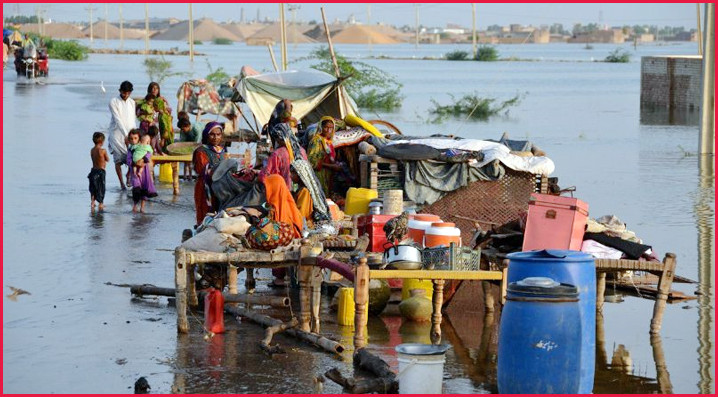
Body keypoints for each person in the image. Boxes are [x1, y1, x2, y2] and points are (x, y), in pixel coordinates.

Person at [192, 122, 229, 226]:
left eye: (218, 134)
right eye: (212, 134)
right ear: (206, 135)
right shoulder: (201, 151)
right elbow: (204, 170)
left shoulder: (222, 150)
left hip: (220, 187)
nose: (215, 137)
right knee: (205, 213)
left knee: (219, 213)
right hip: (205, 187)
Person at [258, 123, 308, 190]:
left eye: (276, 139)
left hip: (284, 191)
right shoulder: (302, 151)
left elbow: (267, 175)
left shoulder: (278, 153)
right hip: (301, 190)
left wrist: (259, 175)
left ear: (279, 138)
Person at [108, 81, 137, 188]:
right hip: (116, 135)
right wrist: (125, 134)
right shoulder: (113, 101)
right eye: (124, 93)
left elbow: (133, 120)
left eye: (128, 93)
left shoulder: (132, 102)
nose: (126, 95)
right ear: (120, 91)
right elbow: (117, 119)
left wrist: (133, 135)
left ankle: (129, 176)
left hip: (130, 136)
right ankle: (121, 184)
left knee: (132, 158)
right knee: (118, 160)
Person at [307, 116, 342, 196]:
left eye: (331, 128)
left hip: (328, 175)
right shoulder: (316, 141)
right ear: (321, 127)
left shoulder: (328, 141)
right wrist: (331, 166)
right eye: (326, 127)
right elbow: (312, 161)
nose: (329, 130)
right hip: (319, 175)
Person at [126, 129, 157, 213]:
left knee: (144, 188)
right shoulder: (131, 149)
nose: (133, 140)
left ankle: (142, 207)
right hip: (135, 172)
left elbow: (149, 154)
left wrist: (143, 160)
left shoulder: (143, 146)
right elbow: (128, 159)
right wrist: (133, 163)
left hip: (144, 171)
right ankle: (135, 206)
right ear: (129, 139)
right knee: (136, 188)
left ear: (139, 138)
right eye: (131, 139)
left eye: (135, 138)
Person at [88, 132, 110, 210]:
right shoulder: (103, 150)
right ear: (102, 142)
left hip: (93, 170)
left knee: (93, 187)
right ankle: (101, 203)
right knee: (101, 187)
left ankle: (93, 202)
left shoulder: (92, 150)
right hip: (101, 171)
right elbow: (108, 159)